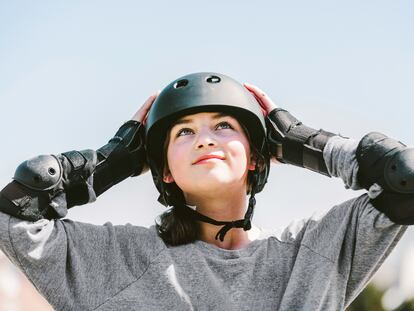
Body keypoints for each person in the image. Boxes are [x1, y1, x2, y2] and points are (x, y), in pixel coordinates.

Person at [0, 72, 412, 310]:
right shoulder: (117, 259)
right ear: (164, 172)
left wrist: (304, 144)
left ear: (256, 158)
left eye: (224, 126)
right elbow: (15, 213)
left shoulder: (312, 253)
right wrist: (110, 162)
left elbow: (404, 180)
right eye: (184, 132)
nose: (204, 139)